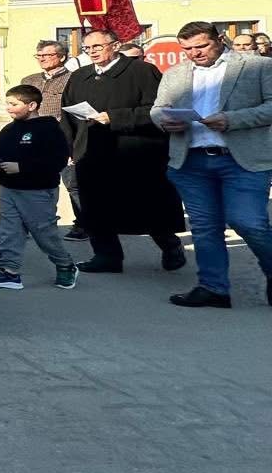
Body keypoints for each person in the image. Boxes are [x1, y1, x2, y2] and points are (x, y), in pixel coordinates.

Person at [152, 22, 272, 309]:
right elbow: (157, 108)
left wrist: (233, 119)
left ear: (220, 39)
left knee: (249, 222)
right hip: (190, 160)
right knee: (205, 227)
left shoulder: (257, 66)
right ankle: (213, 288)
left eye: (201, 46)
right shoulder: (175, 73)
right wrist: (164, 121)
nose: (194, 53)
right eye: (187, 49)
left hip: (241, 159)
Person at [58, 28, 186, 275]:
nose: (92, 52)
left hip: (134, 150)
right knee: (95, 206)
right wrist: (69, 146)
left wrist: (115, 117)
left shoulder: (141, 71)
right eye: (87, 48)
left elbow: (157, 109)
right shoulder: (80, 76)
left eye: (97, 46)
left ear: (114, 45)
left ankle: (169, 245)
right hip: (92, 149)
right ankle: (106, 256)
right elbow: (67, 113)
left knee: (146, 205)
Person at [0, 84, 79, 291]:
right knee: (10, 231)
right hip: (8, 189)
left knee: (43, 232)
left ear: (32, 105)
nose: (8, 108)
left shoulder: (48, 128)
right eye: (7, 104)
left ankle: (65, 265)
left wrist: (22, 167)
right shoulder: (8, 129)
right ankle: (10, 272)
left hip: (37, 191)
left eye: (14, 104)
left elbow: (58, 160)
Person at [20, 39, 85, 240]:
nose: (41, 59)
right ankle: (33, 223)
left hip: (63, 139)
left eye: (47, 55)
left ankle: (84, 224)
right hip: (33, 139)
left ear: (62, 57)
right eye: (39, 55)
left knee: (73, 184)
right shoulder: (29, 80)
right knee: (33, 183)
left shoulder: (75, 79)